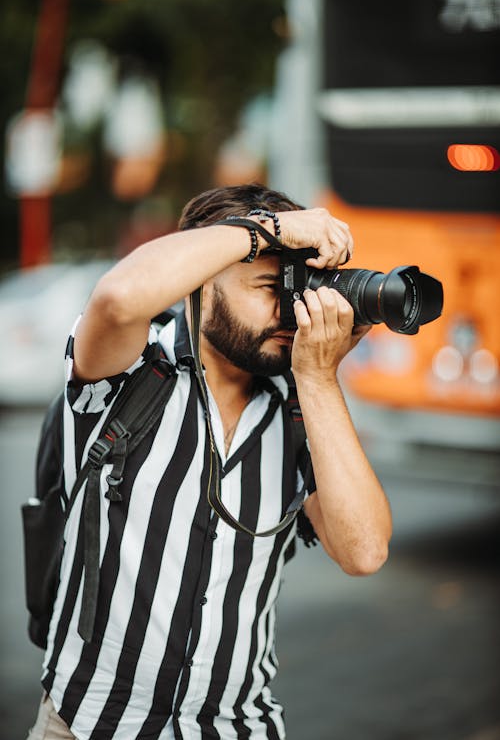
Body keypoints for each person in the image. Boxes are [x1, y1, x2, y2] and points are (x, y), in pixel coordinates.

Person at [27, 183, 392, 740]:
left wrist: (317, 378)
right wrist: (271, 229)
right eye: (268, 286)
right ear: (200, 283)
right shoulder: (128, 375)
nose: (287, 310)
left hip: (239, 728)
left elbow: (364, 551)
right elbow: (119, 298)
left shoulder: (298, 413)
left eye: (293, 289)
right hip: (89, 724)